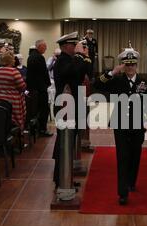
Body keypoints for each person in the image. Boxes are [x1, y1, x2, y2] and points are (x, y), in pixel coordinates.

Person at [94, 47, 147, 205]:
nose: (130, 67)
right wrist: (112, 71)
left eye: (132, 64)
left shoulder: (144, 83)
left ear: (136, 65)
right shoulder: (117, 81)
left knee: (135, 154)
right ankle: (122, 192)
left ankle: (132, 181)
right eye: (127, 64)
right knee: (122, 156)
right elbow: (97, 84)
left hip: (138, 125)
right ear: (123, 65)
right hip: (120, 124)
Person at [52, 31, 81, 187]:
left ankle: (65, 177)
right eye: (73, 45)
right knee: (64, 142)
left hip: (70, 106)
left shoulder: (68, 60)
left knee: (68, 142)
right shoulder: (63, 61)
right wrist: (81, 57)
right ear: (64, 46)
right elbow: (73, 72)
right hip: (65, 107)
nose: (75, 47)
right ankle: (60, 179)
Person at [0, 51, 27, 130]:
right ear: (9, 60)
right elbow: (22, 87)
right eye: (13, 59)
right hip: (12, 101)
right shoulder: (14, 71)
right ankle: (18, 134)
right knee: (14, 122)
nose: (15, 61)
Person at [26, 39, 53, 136]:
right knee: (43, 109)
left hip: (33, 88)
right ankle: (42, 129)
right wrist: (48, 83)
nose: (46, 48)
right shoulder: (39, 57)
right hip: (40, 88)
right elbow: (44, 72)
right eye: (44, 46)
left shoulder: (30, 57)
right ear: (39, 46)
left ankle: (35, 129)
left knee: (35, 110)